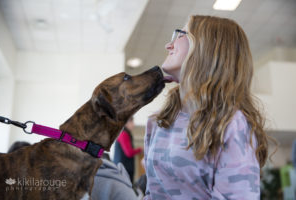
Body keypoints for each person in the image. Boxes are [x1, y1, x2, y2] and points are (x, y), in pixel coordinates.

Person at [144, 15, 271, 199]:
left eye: (181, 35)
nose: (169, 45)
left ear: (206, 49)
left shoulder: (231, 124)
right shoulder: (158, 122)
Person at [114, 117, 142, 182]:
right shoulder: (124, 134)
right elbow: (128, 153)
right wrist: (139, 150)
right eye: (131, 122)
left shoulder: (126, 133)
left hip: (124, 167)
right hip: (123, 168)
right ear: (126, 123)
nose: (133, 124)